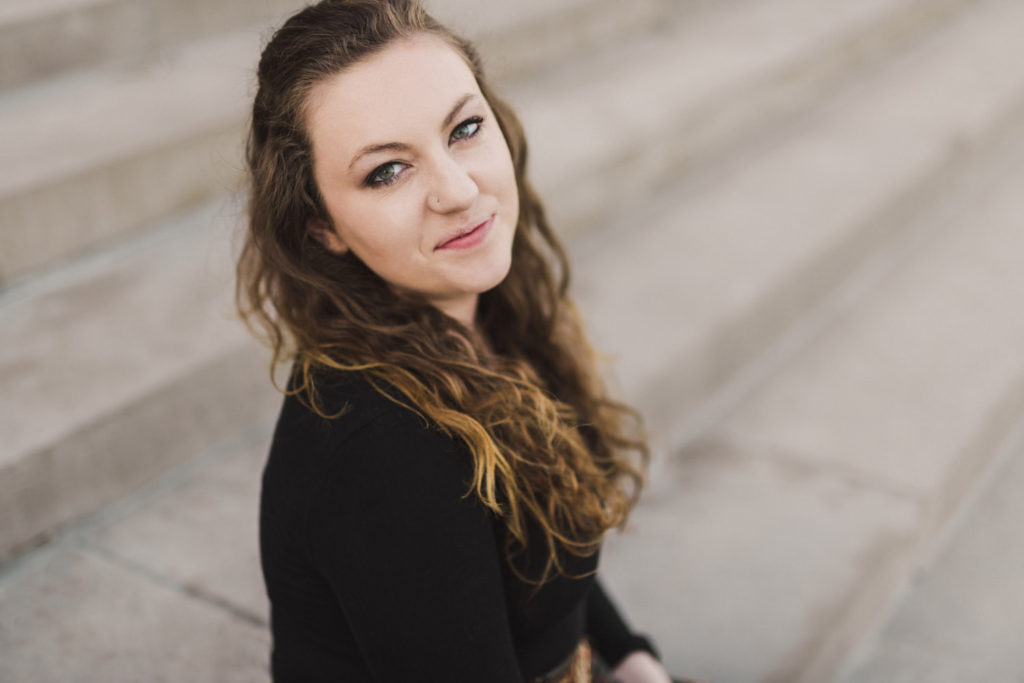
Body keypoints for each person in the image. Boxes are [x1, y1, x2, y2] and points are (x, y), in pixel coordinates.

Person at [237, 1, 694, 681]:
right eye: (387, 171)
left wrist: (627, 653)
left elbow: (537, 556)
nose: (457, 189)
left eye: (465, 128)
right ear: (321, 226)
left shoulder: (491, 312)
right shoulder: (381, 454)